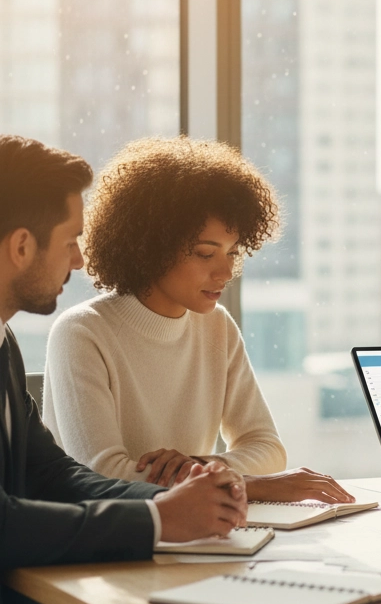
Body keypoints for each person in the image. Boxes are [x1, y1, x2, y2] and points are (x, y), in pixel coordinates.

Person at [0, 134, 250, 604]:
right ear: (21, 245)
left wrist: (173, 500)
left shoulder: (1, 343)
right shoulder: (78, 331)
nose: (82, 259)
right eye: (70, 241)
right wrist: (161, 520)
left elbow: (51, 473)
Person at [43, 136, 352, 505]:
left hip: (191, 530)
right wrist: (243, 483)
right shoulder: (82, 332)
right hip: (109, 542)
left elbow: (267, 447)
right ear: (150, 247)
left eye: (232, 253)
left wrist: (202, 467)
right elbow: (103, 473)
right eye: (205, 254)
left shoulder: (216, 326)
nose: (225, 272)